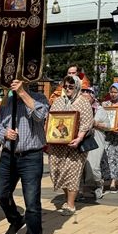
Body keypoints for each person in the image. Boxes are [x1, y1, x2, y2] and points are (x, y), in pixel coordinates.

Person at [0, 79, 49, 234]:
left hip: (31, 156)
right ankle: (16, 220)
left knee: (31, 202)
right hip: (8, 155)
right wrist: (5, 133)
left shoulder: (39, 98)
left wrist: (22, 93)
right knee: (1, 194)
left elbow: (40, 115)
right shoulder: (6, 102)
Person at [47, 75, 93, 216]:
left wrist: (79, 138)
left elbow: (87, 123)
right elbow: (51, 119)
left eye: (71, 87)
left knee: (72, 173)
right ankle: (68, 198)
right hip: (57, 145)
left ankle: (71, 205)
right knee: (57, 172)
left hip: (75, 146)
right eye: (65, 86)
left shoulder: (83, 102)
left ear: (77, 87)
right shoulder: (58, 101)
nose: (67, 89)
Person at [80, 87, 107, 201]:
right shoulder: (76, 107)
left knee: (93, 166)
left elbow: (107, 125)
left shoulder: (99, 110)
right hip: (80, 140)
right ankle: (82, 189)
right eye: (83, 95)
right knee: (80, 166)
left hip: (96, 139)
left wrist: (95, 123)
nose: (85, 97)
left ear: (93, 97)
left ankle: (98, 185)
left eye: (88, 95)